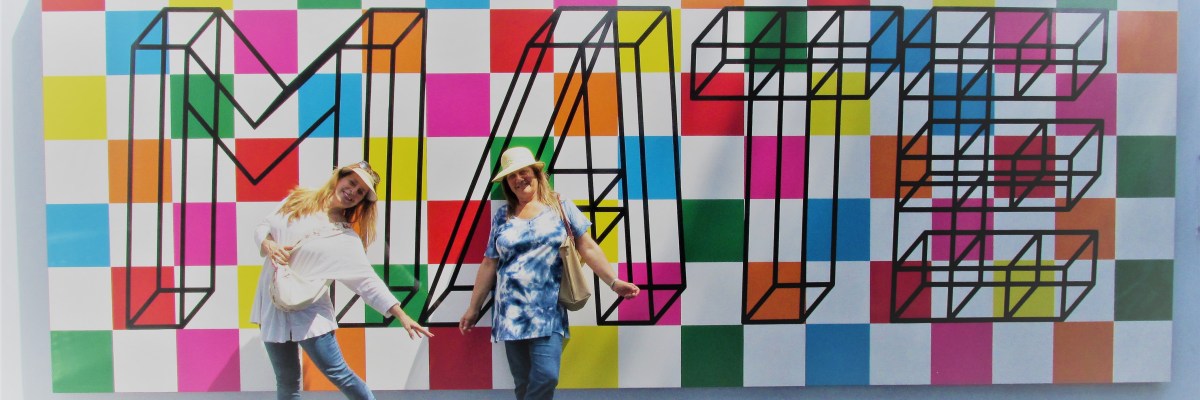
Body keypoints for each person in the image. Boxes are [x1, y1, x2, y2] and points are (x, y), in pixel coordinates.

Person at [458, 147, 641, 400]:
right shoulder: (503, 215)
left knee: (547, 376)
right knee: (523, 383)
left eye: (523, 172)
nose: (519, 179)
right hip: (510, 313)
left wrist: (613, 281)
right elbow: (489, 263)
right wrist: (473, 308)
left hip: (548, 311)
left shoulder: (559, 206)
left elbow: (587, 246)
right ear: (507, 184)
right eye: (512, 176)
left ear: (536, 173)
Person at [250, 160, 433, 400]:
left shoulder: (345, 237)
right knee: (287, 380)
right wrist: (268, 244)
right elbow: (263, 226)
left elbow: (367, 281)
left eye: (360, 192)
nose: (352, 192)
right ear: (340, 177)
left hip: (309, 313)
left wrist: (402, 315)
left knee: (339, 374)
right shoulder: (297, 200)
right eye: (352, 182)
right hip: (273, 305)